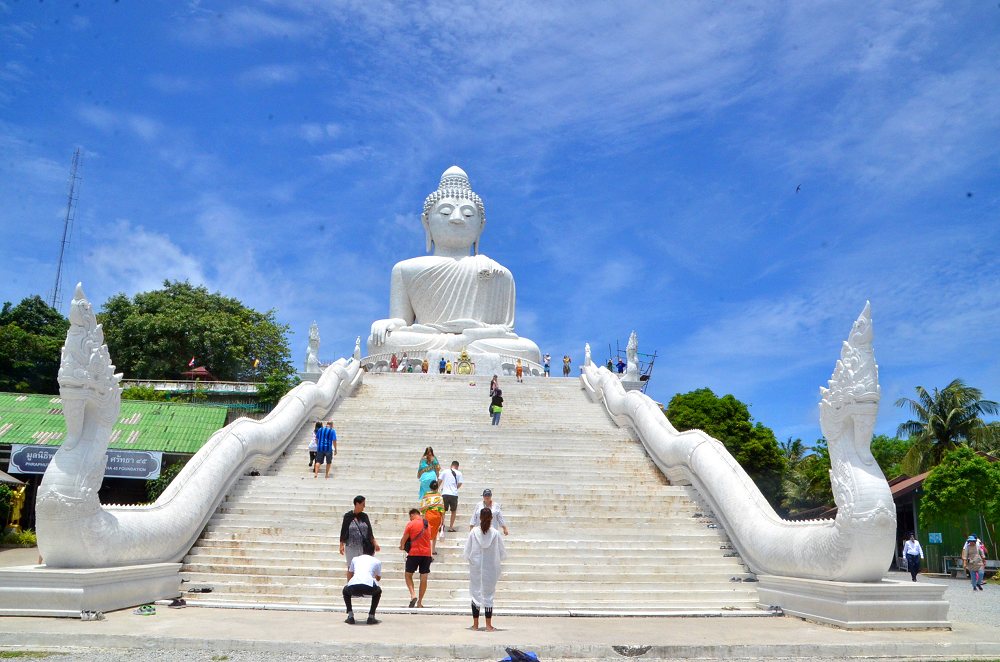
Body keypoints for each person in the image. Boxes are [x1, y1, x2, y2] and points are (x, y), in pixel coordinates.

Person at [365, 166, 541, 364]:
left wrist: (472, 335)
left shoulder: (498, 272)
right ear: (426, 223)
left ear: (481, 226)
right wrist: (387, 324)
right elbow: (402, 321)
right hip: (428, 337)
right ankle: (460, 346)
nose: (457, 219)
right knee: (379, 341)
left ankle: (461, 345)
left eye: (467, 214)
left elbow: (504, 330)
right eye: (446, 212)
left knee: (529, 349)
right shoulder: (405, 269)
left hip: (478, 340)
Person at [464, 507, 506, 631]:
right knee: (489, 594)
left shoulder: (473, 532)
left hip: (476, 567)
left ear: (480, 518)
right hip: (490, 568)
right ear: (492, 518)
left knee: (475, 593)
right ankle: (488, 625)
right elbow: (502, 552)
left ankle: (475, 625)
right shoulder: (495, 533)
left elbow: (467, 551)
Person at [343, 540, 382, 625]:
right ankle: (371, 616)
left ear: (363, 550)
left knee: (345, 591)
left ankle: (350, 616)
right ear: (373, 551)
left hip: (354, 585)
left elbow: (350, 573)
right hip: (369, 586)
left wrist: (350, 584)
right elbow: (378, 578)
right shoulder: (377, 561)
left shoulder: (355, 559)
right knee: (378, 591)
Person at [400, 508, 433, 608]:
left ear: (412, 515)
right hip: (427, 554)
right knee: (424, 577)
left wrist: (402, 546)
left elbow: (404, 538)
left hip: (414, 553)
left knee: (408, 575)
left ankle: (413, 595)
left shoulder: (411, 524)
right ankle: (420, 602)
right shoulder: (427, 524)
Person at [340, 495, 380, 569]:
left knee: (363, 567)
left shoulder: (364, 516)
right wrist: (341, 545)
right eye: (363, 504)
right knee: (351, 568)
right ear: (357, 504)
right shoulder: (348, 516)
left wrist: (375, 543)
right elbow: (344, 530)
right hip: (351, 546)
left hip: (363, 547)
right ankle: (351, 581)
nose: (364, 506)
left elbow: (370, 531)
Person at [421, 480, 445, 555]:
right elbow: (442, 509)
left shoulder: (426, 495)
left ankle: (427, 550)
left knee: (427, 533)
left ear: (430, 487)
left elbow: (423, 508)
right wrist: (443, 521)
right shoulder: (439, 496)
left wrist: (423, 518)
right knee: (434, 534)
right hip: (437, 516)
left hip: (428, 515)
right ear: (437, 487)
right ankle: (433, 550)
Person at [440, 460, 464, 532]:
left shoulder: (445, 471)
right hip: (454, 494)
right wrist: (455, 488)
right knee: (453, 511)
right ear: (457, 466)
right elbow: (460, 483)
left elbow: (440, 480)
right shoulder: (459, 473)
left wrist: (436, 489)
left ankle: (442, 526)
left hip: (445, 493)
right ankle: (451, 527)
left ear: (451, 465)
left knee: (443, 510)